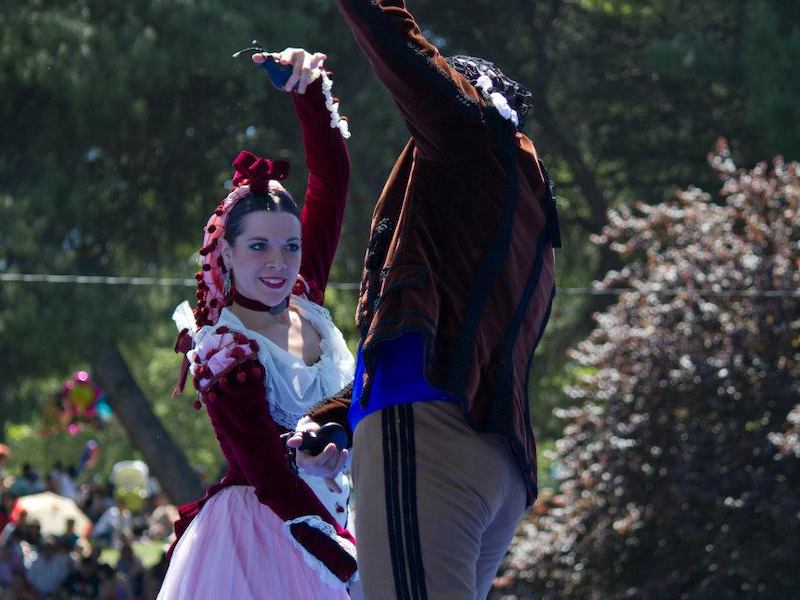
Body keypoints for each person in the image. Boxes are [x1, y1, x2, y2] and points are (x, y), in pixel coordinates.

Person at [290, 2, 561, 598]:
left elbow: (397, 42)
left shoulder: (468, 137)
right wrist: (338, 418)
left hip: (432, 445)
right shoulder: (532, 211)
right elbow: (440, 342)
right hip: (499, 465)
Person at [158, 47, 357, 599]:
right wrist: (345, 559)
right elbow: (270, 475)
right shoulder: (222, 350)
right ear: (224, 254)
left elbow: (331, 180)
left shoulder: (305, 294)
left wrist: (308, 90)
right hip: (265, 536)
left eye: (290, 245)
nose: (278, 262)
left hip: (348, 517)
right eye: (259, 247)